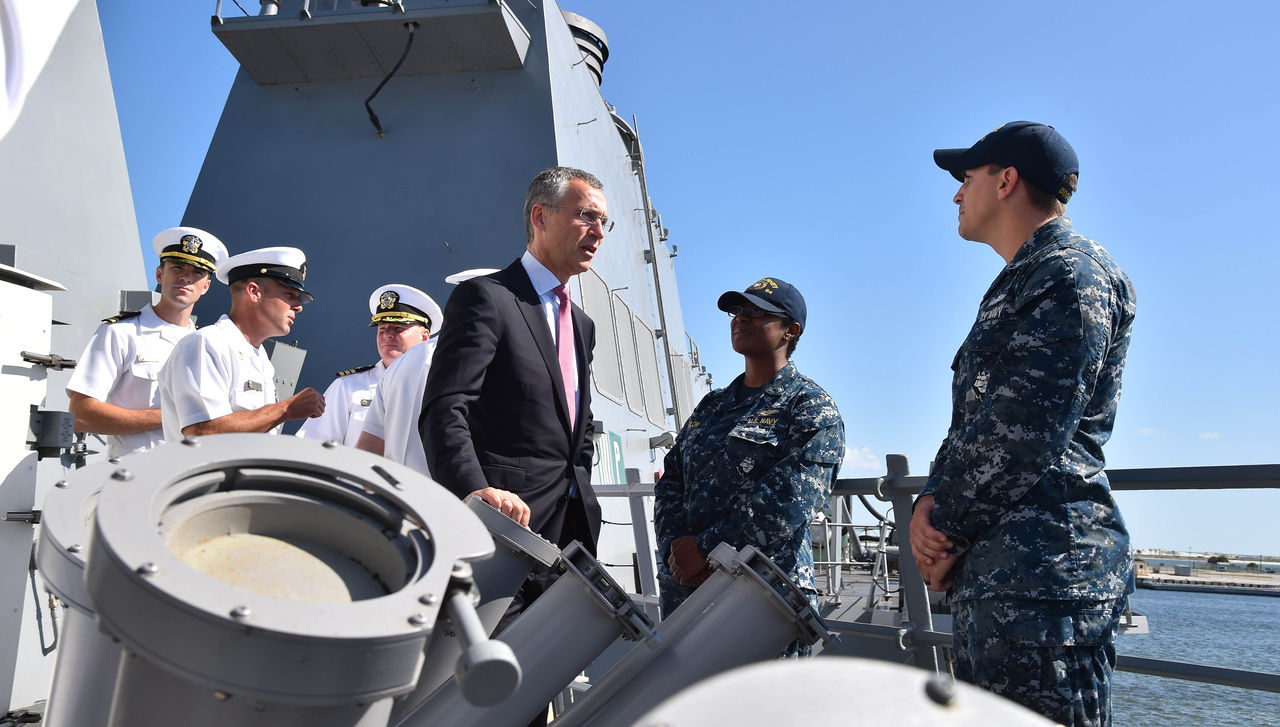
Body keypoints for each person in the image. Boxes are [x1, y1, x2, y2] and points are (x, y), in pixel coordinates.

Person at [909, 121, 1136, 727]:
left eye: (967, 179)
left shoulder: (1070, 273)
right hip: (1006, 580)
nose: (957, 194)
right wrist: (929, 500)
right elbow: (975, 424)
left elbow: (1027, 427)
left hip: (1046, 586)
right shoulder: (1023, 279)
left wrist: (942, 524)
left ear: (1005, 180)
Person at [421, 166, 606, 622]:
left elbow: (574, 434)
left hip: (568, 540)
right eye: (586, 216)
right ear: (540, 217)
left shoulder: (582, 325)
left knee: (544, 675)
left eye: (604, 221)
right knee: (495, 681)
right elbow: (445, 408)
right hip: (502, 534)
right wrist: (474, 490)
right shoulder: (486, 298)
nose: (598, 232)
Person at [653, 277, 844, 653]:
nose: (741, 319)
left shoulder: (809, 407)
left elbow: (787, 503)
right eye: (738, 311)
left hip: (760, 596)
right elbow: (671, 480)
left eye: (757, 313)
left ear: (791, 330)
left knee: (762, 709)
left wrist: (706, 550)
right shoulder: (712, 406)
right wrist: (678, 551)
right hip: (687, 592)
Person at [66, 227, 227, 458]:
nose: (186, 277)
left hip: (190, 476)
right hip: (131, 474)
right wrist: (172, 417)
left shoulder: (209, 346)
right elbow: (81, 414)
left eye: (197, 272)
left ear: (206, 286)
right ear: (160, 274)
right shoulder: (121, 333)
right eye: (178, 267)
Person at [158, 246, 326, 438]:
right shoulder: (207, 344)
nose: (298, 307)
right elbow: (201, 431)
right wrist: (285, 409)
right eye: (289, 295)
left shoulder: (260, 359)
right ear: (254, 292)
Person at [358, 270, 495, 473]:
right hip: (462, 498)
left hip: (396, 498)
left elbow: (368, 450)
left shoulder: (398, 366)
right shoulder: (490, 360)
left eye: (398, 328)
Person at [299, 283, 440, 447]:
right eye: (382, 329)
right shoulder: (348, 387)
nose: (387, 335)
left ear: (424, 337)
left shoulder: (438, 387)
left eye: (398, 328)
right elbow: (315, 446)